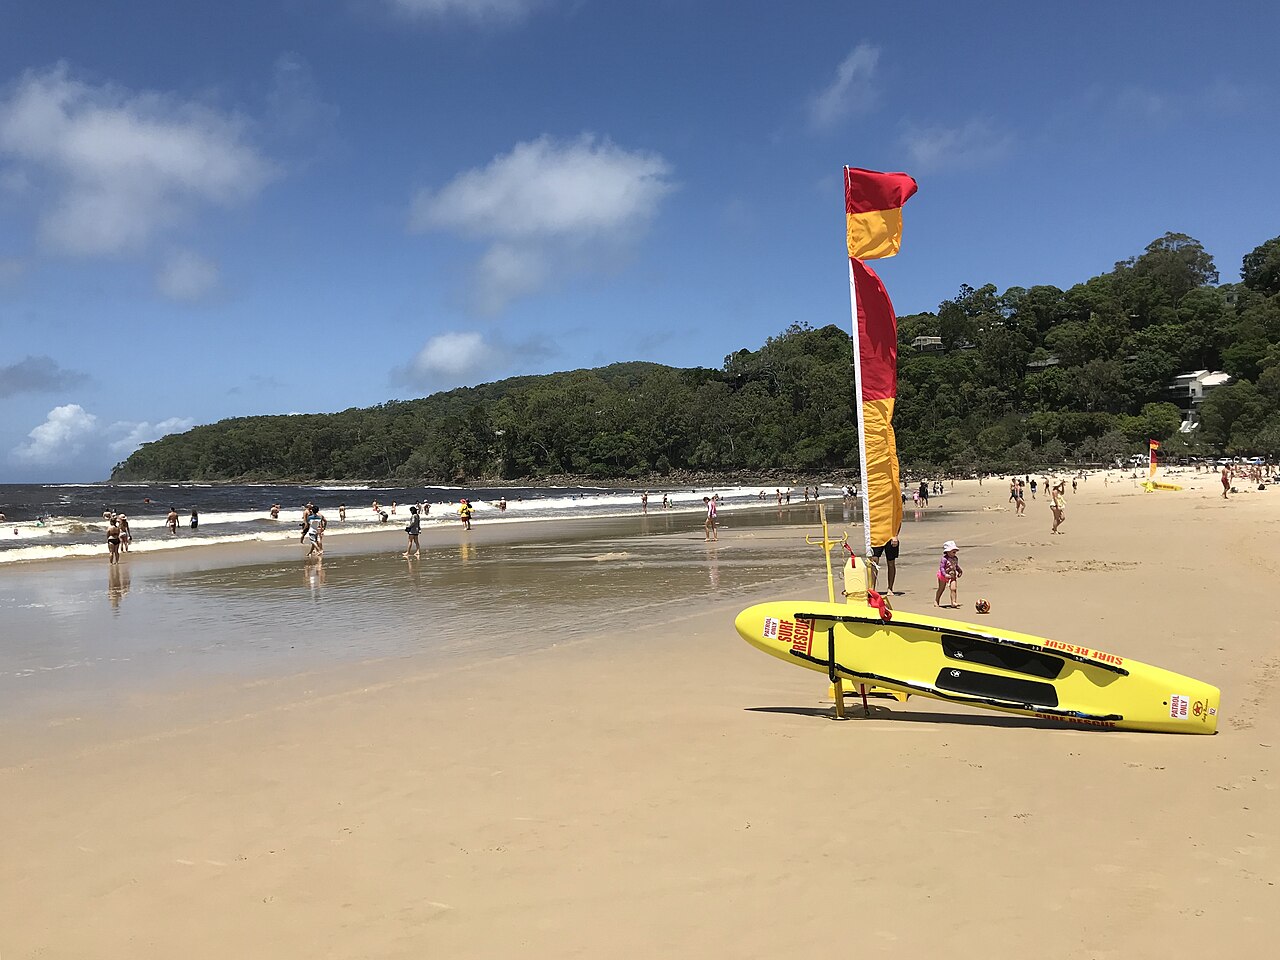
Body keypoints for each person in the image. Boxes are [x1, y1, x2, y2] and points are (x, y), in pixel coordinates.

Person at [934, 540, 963, 608]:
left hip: (952, 575)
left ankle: (953, 602)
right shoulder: (944, 559)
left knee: (953, 588)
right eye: (952, 550)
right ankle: (936, 600)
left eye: (955, 550)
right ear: (947, 551)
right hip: (943, 576)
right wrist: (945, 574)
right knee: (941, 588)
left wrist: (959, 570)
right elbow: (942, 568)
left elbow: (955, 566)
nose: (954, 551)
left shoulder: (955, 558)